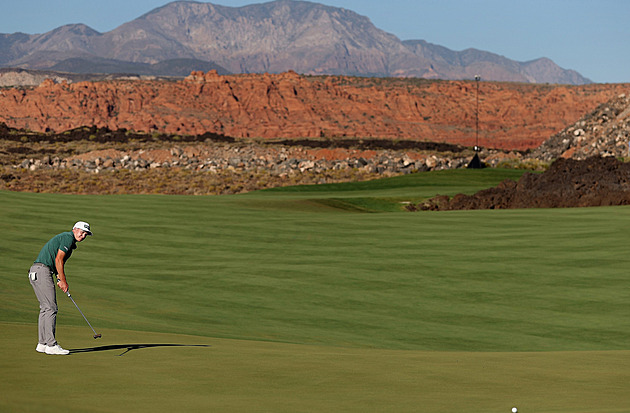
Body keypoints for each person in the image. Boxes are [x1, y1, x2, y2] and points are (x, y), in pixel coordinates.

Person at [28, 221, 93, 355]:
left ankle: (42, 343)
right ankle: (51, 345)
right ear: (74, 229)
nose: (83, 235)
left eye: (85, 234)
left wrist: (59, 278)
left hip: (36, 271)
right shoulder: (67, 238)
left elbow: (57, 262)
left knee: (45, 307)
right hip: (42, 271)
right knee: (51, 308)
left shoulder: (70, 243)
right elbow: (58, 260)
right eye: (81, 231)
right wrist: (63, 280)